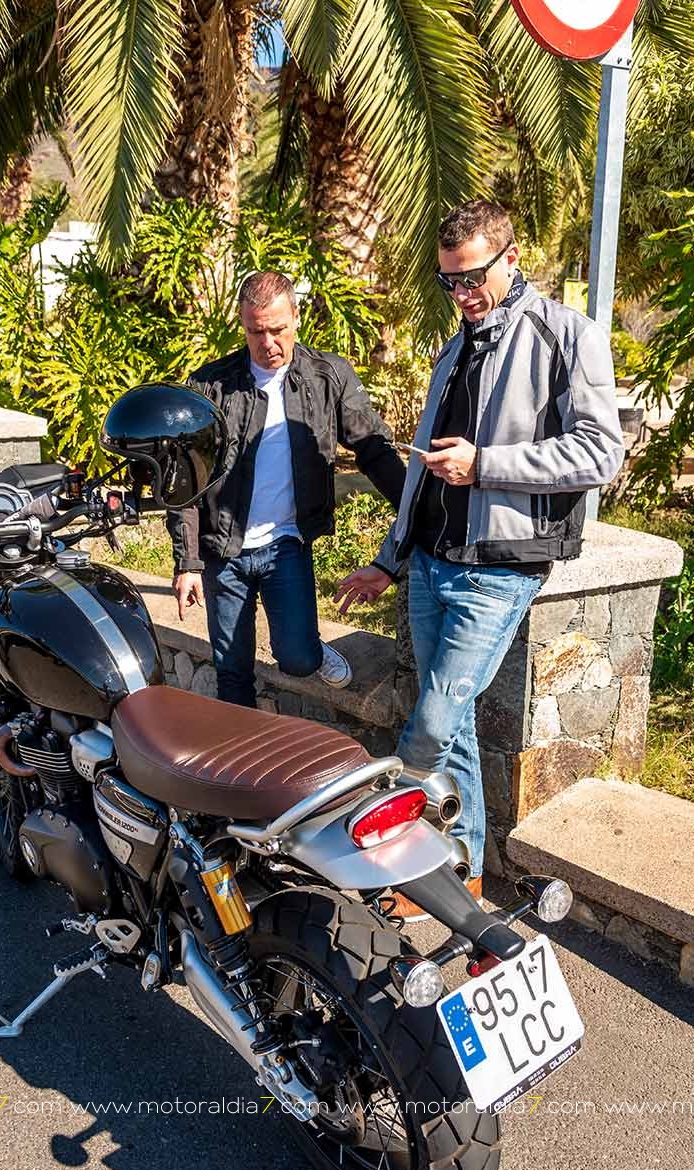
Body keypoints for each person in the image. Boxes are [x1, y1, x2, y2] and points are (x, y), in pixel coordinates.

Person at [336, 199, 623, 919]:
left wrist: (486, 464)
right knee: (454, 725)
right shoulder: (454, 348)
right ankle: (459, 873)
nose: (461, 294)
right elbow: (423, 476)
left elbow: (600, 453)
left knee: (432, 726)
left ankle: (402, 852)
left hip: (499, 570)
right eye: (449, 282)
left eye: (472, 278)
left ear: (512, 258)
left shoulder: (568, 335)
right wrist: (390, 560)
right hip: (432, 565)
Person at [167, 270, 406, 708]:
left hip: (285, 544)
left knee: (298, 659)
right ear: (243, 325)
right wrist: (188, 563)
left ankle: (312, 650)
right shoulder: (210, 386)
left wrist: (414, 506)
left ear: (296, 317)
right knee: (231, 670)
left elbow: (373, 449)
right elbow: (184, 482)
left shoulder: (327, 376)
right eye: (256, 332)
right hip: (223, 550)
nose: (268, 343)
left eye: (277, 329)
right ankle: (240, 751)